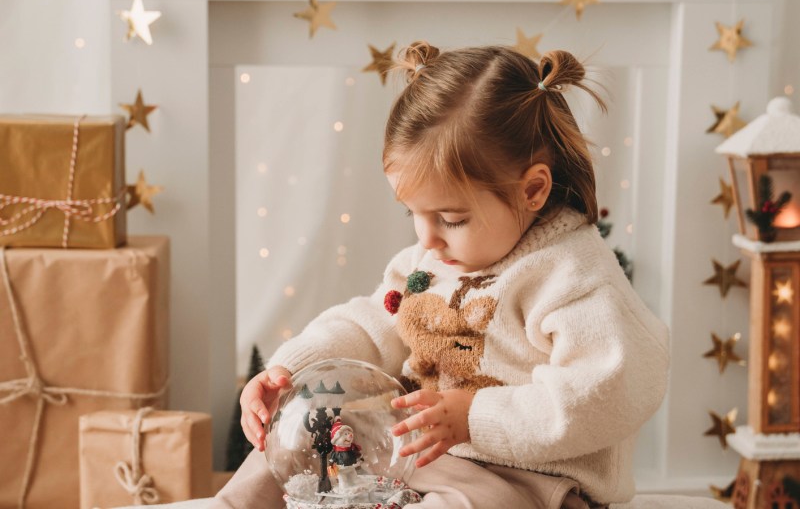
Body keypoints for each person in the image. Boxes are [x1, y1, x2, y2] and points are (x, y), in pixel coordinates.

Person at [214, 42, 670, 509]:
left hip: (522, 478)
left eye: (451, 218)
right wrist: (291, 370)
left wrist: (477, 418)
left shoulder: (571, 276)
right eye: (413, 212)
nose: (427, 238)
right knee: (299, 436)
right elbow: (371, 325)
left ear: (533, 189)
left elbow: (606, 391)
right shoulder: (428, 262)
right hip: (414, 451)